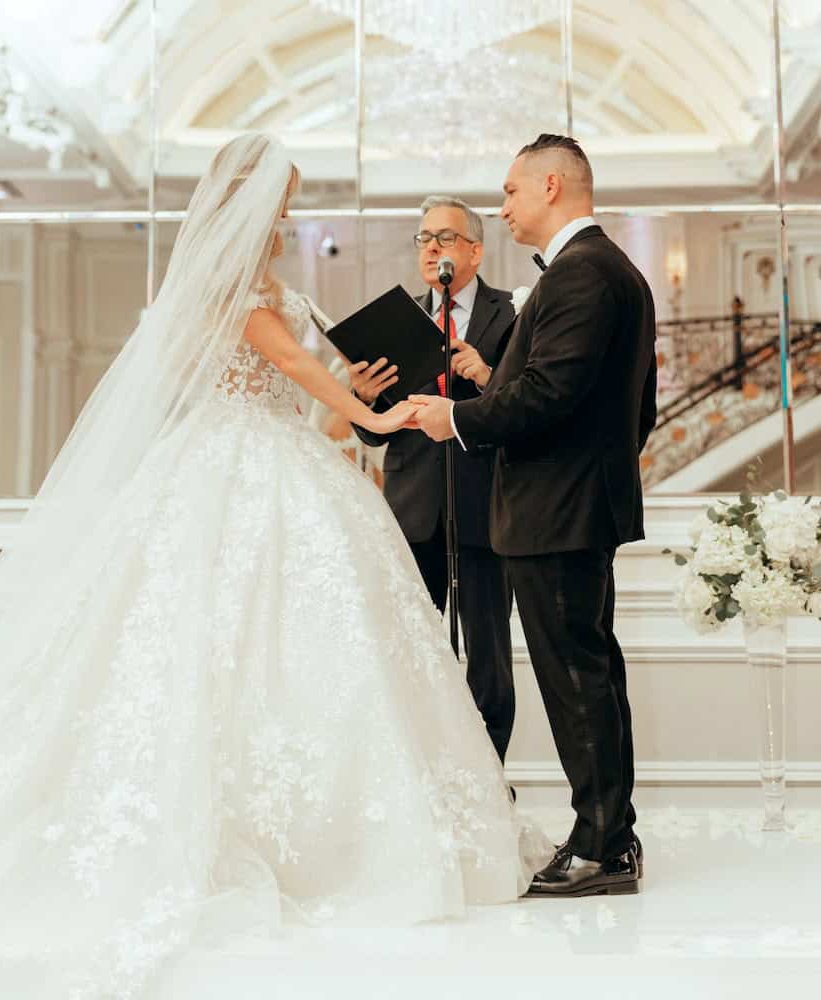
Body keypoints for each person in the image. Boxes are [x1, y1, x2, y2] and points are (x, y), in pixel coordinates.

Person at [0, 134, 550, 997]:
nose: (286, 218)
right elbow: (286, 366)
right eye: (281, 201)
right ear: (247, 201)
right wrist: (381, 417)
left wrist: (352, 382)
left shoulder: (270, 288)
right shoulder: (231, 290)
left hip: (276, 461)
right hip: (239, 470)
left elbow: (301, 379)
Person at [410, 134, 658, 898]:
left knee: (576, 680)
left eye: (512, 192)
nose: (504, 207)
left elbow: (549, 395)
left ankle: (602, 846)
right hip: (571, 505)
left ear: (552, 186)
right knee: (588, 674)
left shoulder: (584, 275)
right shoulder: (597, 272)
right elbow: (633, 410)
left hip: (558, 511)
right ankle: (610, 833)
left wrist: (457, 419)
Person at [350, 196, 517, 764]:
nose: (431, 250)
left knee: (489, 658)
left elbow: (527, 411)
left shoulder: (513, 315)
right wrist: (363, 399)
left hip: (486, 509)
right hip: (412, 509)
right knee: (410, 653)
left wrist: (488, 376)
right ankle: (422, 776)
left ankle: (487, 783)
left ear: (474, 249)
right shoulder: (396, 322)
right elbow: (374, 435)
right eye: (423, 239)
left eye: (444, 238)